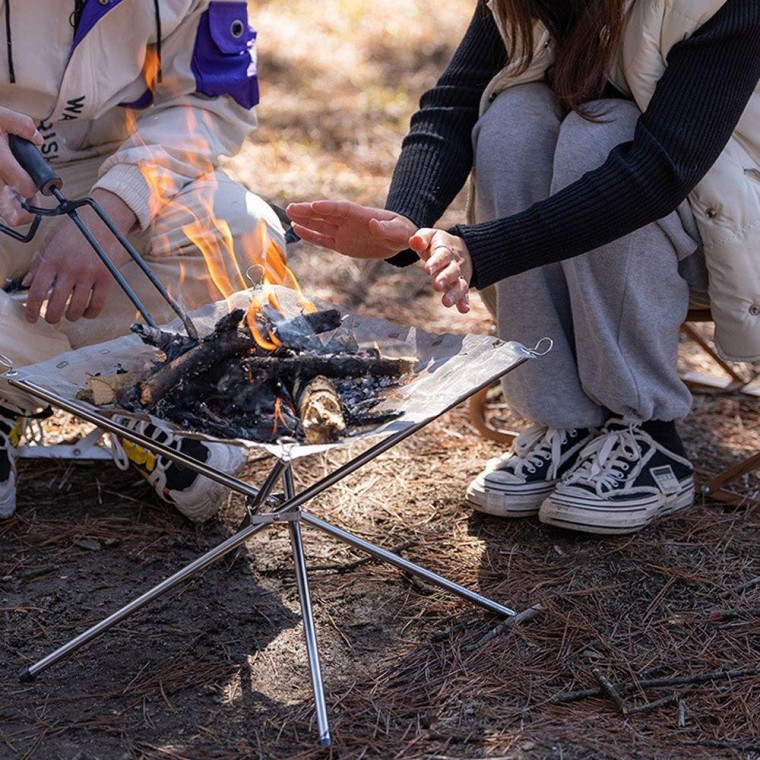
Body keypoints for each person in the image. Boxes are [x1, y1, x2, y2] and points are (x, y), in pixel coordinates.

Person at [287, 0, 760, 534]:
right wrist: (403, 221)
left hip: (728, 231)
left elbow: (658, 171)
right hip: (621, 212)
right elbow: (455, 102)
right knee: (515, 116)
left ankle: (647, 432)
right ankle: (564, 422)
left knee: (602, 133)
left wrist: (482, 249)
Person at [0, 1, 286, 522]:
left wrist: (117, 207)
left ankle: (131, 392)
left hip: (112, 164)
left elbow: (209, 99)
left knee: (246, 237)